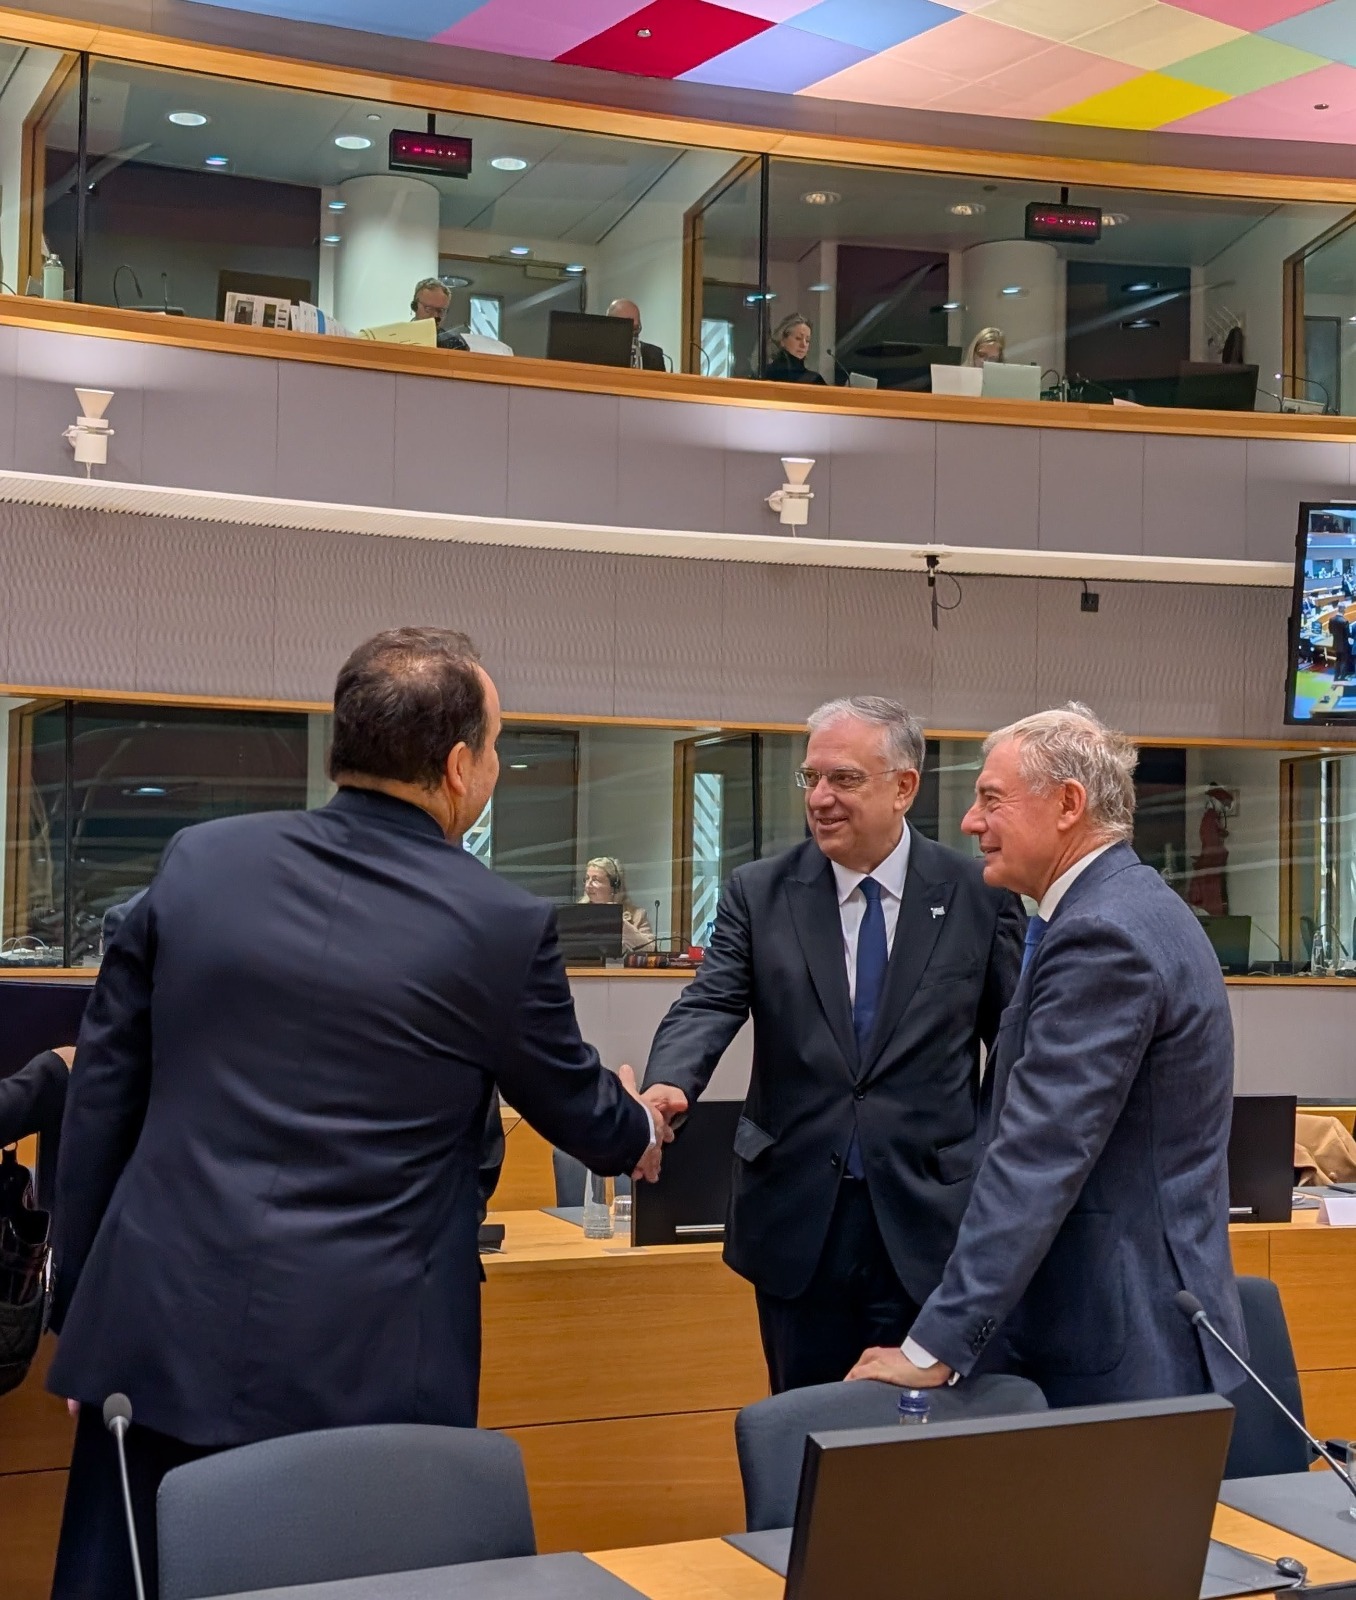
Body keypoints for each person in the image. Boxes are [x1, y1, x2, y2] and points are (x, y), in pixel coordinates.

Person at [47, 626, 667, 1600]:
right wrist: (640, 1125)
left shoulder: (200, 863)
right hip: (369, 1369)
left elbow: (101, 1101)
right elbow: (584, 1115)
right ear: (458, 767)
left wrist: (85, 1320)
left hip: (158, 1341)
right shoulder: (498, 925)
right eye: (497, 746)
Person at [849, 703, 1245, 1407]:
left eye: (991, 799)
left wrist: (936, 1344)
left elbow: (1040, 1153)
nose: (970, 822)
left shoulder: (1104, 936)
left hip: (1116, 1346)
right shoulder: (1126, 906)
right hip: (1125, 1325)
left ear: (1068, 804)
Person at [641, 697, 1024, 1393]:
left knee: (923, 1434)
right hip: (798, 1221)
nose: (820, 798)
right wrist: (670, 1082)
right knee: (805, 1421)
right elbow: (710, 1001)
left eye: (843, 779)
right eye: (811, 778)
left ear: (904, 787)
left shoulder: (978, 894)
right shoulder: (760, 891)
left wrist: (996, 1153)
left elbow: (1017, 1042)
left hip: (930, 1218)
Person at [581, 856, 654, 952]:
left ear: (614, 886)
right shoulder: (577, 914)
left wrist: (619, 921)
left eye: (595, 880)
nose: (588, 885)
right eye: (587, 879)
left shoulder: (637, 916)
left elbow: (649, 949)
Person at [761, 313, 827, 386]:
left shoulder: (815, 380)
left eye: (807, 340)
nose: (804, 345)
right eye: (798, 338)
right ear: (782, 340)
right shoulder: (764, 373)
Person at [605, 298, 666, 371]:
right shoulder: (598, 353)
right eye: (630, 327)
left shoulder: (654, 355)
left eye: (636, 328)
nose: (634, 334)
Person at [1331, 607, 1352, 680]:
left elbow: (1331, 631)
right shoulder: (1345, 621)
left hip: (1335, 644)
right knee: (1343, 661)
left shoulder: (1331, 619)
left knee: (1337, 660)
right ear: (1343, 610)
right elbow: (1348, 634)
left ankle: (1336, 676)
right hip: (1343, 645)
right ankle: (1342, 677)